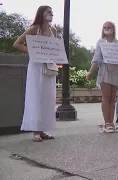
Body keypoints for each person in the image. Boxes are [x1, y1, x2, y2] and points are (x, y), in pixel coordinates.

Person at [13, 5, 57, 142]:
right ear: (41, 13)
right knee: (36, 96)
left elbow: (54, 47)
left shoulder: (53, 30)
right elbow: (17, 44)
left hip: (48, 66)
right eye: (48, 11)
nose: (51, 13)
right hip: (36, 66)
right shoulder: (34, 29)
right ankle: (35, 132)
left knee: (47, 97)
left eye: (52, 11)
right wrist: (33, 51)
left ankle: (43, 130)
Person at [86, 21, 118, 133]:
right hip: (104, 71)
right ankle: (106, 123)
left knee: (113, 98)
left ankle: (111, 122)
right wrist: (90, 72)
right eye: (105, 27)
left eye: (109, 27)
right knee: (106, 97)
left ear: (113, 29)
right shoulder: (100, 42)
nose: (107, 29)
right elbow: (96, 58)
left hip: (115, 71)